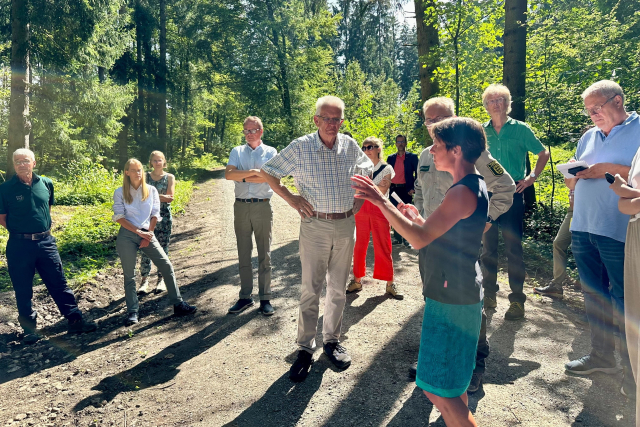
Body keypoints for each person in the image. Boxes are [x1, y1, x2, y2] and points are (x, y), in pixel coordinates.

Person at [351, 117, 489, 427]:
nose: (433, 151)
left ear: (455, 150)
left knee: (439, 391)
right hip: (457, 293)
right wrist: (416, 217)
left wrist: (380, 198)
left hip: (452, 298)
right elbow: (435, 232)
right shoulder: (473, 183)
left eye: (438, 145)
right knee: (451, 387)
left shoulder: (462, 190)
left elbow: (417, 239)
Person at [261, 96, 373, 382]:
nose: (332, 124)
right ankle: (304, 347)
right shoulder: (301, 147)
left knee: (338, 287)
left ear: (342, 121)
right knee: (311, 288)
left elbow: (367, 168)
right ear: (316, 120)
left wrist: (359, 200)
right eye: (327, 118)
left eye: (337, 119)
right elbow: (269, 171)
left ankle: (332, 342)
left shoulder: (349, 145)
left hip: (346, 224)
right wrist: (291, 198)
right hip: (315, 225)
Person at [412, 96, 516, 393]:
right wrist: (418, 217)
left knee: (467, 304)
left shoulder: (471, 154)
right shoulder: (425, 154)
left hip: (459, 245)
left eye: (440, 119)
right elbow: (421, 190)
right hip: (430, 239)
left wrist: (486, 218)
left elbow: (505, 187)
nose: (434, 126)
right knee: (435, 298)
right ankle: (442, 358)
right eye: (429, 121)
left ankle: (474, 363)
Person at [564, 80, 640, 397]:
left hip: (620, 230)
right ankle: (602, 357)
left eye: (597, 108)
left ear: (618, 100)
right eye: (588, 110)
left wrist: (606, 168)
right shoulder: (588, 136)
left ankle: (634, 374)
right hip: (583, 226)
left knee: (627, 302)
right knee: (595, 295)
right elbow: (581, 176)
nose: (593, 115)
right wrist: (573, 177)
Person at [0, 149, 97, 344]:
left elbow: (47, 209)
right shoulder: (5, 189)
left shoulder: (46, 184)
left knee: (58, 282)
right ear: (14, 164)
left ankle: (75, 321)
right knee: (23, 288)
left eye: (25, 161)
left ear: (34, 163)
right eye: (17, 162)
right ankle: (29, 331)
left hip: (46, 243)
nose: (21, 165)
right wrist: (22, 231)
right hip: (19, 245)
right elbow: (2, 219)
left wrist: (40, 231)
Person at [480, 83, 550, 320]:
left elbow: (543, 153)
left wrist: (532, 178)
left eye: (501, 99)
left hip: (512, 196)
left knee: (513, 249)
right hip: (487, 196)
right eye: (491, 100)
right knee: (487, 248)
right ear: (486, 106)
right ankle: (488, 293)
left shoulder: (521, 129)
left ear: (508, 103)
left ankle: (517, 301)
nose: (496, 103)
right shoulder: (481, 131)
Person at [113, 158, 197, 326]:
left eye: (140, 170)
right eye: (134, 170)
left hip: (147, 233)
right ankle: (133, 311)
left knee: (166, 266)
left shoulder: (150, 190)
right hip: (127, 235)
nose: (138, 173)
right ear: (126, 172)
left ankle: (178, 303)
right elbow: (119, 217)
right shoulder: (120, 192)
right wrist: (139, 233)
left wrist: (149, 234)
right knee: (129, 275)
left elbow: (155, 214)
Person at [225, 116, 277, 315]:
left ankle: (265, 298)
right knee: (243, 253)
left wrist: (243, 175)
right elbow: (229, 175)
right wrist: (254, 173)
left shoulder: (271, 152)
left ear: (261, 131)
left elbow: (271, 176)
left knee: (265, 254)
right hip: (241, 207)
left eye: (253, 130)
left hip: (262, 206)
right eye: (246, 130)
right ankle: (245, 296)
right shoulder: (236, 151)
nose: (249, 134)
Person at [347, 137, 402, 300]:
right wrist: (372, 187)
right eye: (364, 147)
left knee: (383, 244)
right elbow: (358, 188)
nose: (367, 150)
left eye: (370, 147)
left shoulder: (387, 167)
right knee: (359, 245)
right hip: (361, 208)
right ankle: (356, 281)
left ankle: (390, 284)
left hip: (379, 208)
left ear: (379, 148)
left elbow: (382, 189)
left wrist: (365, 187)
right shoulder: (359, 167)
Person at [611, 147, 640, 406]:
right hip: (634, 228)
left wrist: (632, 196)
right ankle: (631, 376)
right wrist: (629, 195)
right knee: (632, 312)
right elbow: (623, 203)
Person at [138, 151, 175, 295]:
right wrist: (160, 196)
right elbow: (140, 195)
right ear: (150, 162)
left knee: (163, 248)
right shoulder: (145, 176)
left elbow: (170, 198)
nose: (157, 163)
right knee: (145, 247)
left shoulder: (169, 177)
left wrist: (151, 195)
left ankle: (161, 280)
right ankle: (144, 280)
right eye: (154, 160)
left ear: (164, 162)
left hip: (164, 217)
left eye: (160, 160)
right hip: (146, 217)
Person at [533, 183, 575, 297]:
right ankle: (556, 286)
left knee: (587, 248)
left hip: (594, 210)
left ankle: (597, 294)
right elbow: (569, 181)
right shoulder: (575, 165)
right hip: (573, 211)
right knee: (559, 243)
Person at [388, 134, 419, 245]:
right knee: (395, 213)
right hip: (394, 190)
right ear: (396, 144)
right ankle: (397, 237)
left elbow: (418, 174)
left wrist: (413, 188)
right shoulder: (391, 158)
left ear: (405, 143)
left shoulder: (412, 157)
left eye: (402, 142)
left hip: (407, 190)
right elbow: (387, 174)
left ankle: (407, 238)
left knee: (407, 213)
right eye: (398, 142)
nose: (400, 144)